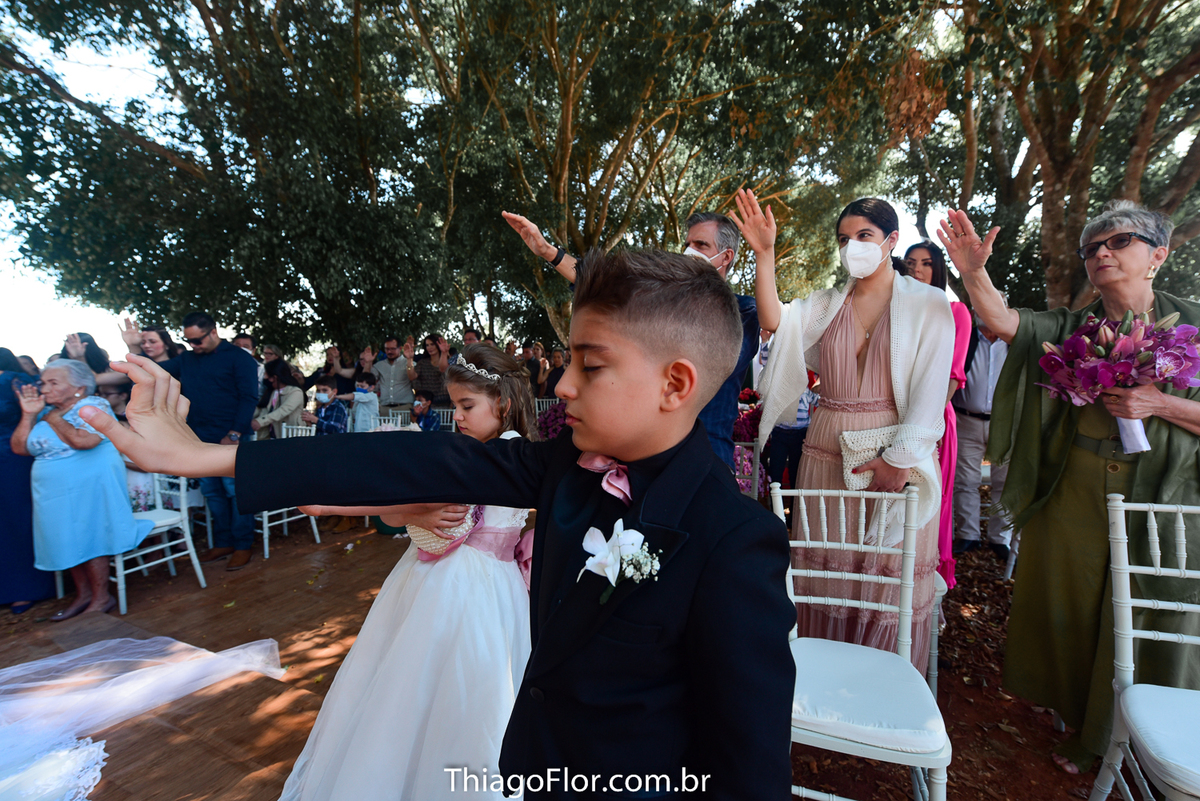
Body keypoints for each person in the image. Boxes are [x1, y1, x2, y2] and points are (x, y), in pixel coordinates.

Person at [84, 248, 796, 800]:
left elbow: (748, 768)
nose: (562, 384)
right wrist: (209, 457)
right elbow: (415, 460)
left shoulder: (737, 543)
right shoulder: (564, 469)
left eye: (591, 365)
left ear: (676, 383)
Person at [938, 200, 1200, 773]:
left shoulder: (1193, 328)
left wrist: (1162, 404)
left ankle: (1133, 737)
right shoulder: (1072, 327)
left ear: (1158, 255)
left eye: (1119, 241)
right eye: (1090, 248)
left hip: (1165, 496)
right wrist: (973, 272)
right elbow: (1005, 322)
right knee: (1071, 602)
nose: (1100, 252)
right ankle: (1078, 714)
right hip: (1074, 489)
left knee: (1145, 614)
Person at [277, 345, 536, 800]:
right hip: (448, 580)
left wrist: (334, 505)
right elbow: (403, 510)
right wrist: (409, 513)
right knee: (413, 692)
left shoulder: (504, 453)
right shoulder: (477, 450)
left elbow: (409, 503)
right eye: (454, 405)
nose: (457, 416)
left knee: (467, 695)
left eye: (467, 406)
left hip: (473, 589)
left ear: (504, 402)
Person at [749, 189, 954, 673]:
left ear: (891, 240)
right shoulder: (827, 304)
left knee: (886, 577)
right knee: (827, 571)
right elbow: (776, 321)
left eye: (864, 235)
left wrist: (900, 460)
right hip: (825, 452)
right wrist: (765, 254)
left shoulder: (928, 303)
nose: (852, 247)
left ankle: (885, 683)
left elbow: (932, 388)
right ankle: (823, 680)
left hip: (896, 455)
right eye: (844, 239)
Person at [504, 208, 763, 470]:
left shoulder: (744, 312)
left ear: (726, 256)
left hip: (709, 458)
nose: (689, 251)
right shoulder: (665, 301)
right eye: (687, 244)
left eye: (700, 245)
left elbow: (738, 346)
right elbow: (608, 285)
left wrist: (765, 253)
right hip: (650, 458)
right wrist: (549, 252)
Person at [10, 359, 152, 620]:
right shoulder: (44, 411)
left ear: (78, 388)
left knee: (90, 536)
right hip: (53, 493)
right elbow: (19, 448)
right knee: (66, 539)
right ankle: (84, 595)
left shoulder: (94, 406)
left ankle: (101, 597)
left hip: (89, 488)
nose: (44, 389)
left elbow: (84, 441)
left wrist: (55, 418)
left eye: (53, 383)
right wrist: (29, 414)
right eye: (43, 382)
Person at [160, 311, 261, 571]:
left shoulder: (239, 358)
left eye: (197, 340)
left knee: (236, 492)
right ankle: (223, 542)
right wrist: (133, 348)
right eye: (189, 341)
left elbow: (249, 397)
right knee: (213, 493)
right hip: (198, 439)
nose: (193, 345)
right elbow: (156, 370)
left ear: (213, 332)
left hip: (230, 438)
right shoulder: (187, 359)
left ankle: (243, 544)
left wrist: (235, 434)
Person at [901, 241, 971, 590]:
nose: (917, 269)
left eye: (926, 263)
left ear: (938, 269)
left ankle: (927, 586)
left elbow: (952, 380)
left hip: (933, 420)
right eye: (911, 262)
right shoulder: (895, 311)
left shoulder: (955, 312)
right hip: (893, 413)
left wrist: (922, 427)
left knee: (929, 499)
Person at [951, 318, 1013, 562]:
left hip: (1005, 422)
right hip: (966, 419)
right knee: (965, 480)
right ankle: (968, 535)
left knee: (1005, 482)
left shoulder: (1014, 341)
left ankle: (1000, 539)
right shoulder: (965, 337)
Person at [1, 348, 54, 614]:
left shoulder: (15, 380)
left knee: (17, 519)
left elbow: (40, 411)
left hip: (12, 457)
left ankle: (26, 588)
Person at [253, 360, 306, 440]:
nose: (264, 377)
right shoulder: (272, 392)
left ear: (275, 377)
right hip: (269, 436)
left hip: (290, 437)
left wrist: (260, 422)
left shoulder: (295, 392)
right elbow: (262, 409)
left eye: (267, 375)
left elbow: (283, 410)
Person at [372, 336, 416, 413]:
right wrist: (368, 363)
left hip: (404, 407)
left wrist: (409, 359)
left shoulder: (410, 363)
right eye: (387, 349)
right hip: (385, 408)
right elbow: (366, 381)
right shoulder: (379, 366)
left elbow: (413, 378)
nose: (389, 351)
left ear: (400, 348)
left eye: (393, 349)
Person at [413, 334, 454, 407]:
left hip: (445, 403)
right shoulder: (422, 363)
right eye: (427, 345)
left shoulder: (450, 362)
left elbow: (443, 370)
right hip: (427, 404)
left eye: (432, 344)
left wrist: (444, 353)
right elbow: (413, 378)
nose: (429, 347)